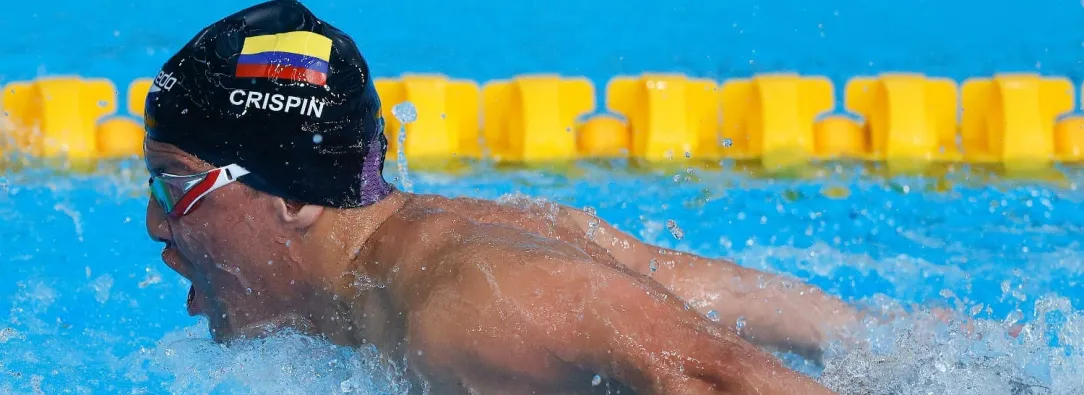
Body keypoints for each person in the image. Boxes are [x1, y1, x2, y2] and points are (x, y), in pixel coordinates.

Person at [143, 1, 852, 393]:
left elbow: (731, 378)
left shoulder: (466, 309)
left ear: (293, 193)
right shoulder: (434, 250)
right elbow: (685, 283)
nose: (154, 223)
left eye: (174, 187)